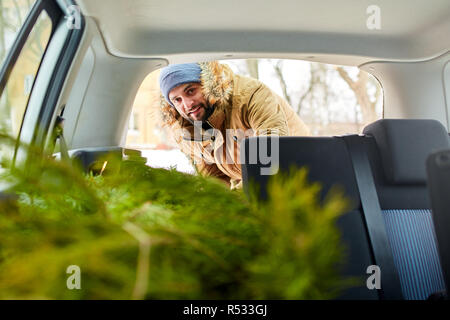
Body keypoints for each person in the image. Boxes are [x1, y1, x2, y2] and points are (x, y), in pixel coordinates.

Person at [158, 61, 310, 189]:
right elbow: (214, 176)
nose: (187, 104)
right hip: (250, 180)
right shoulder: (186, 130)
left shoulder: (250, 96)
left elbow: (271, 161)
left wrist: (237, 200)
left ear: (208, 84)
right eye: (177, 100)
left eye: (191, 91)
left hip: (299, 172)